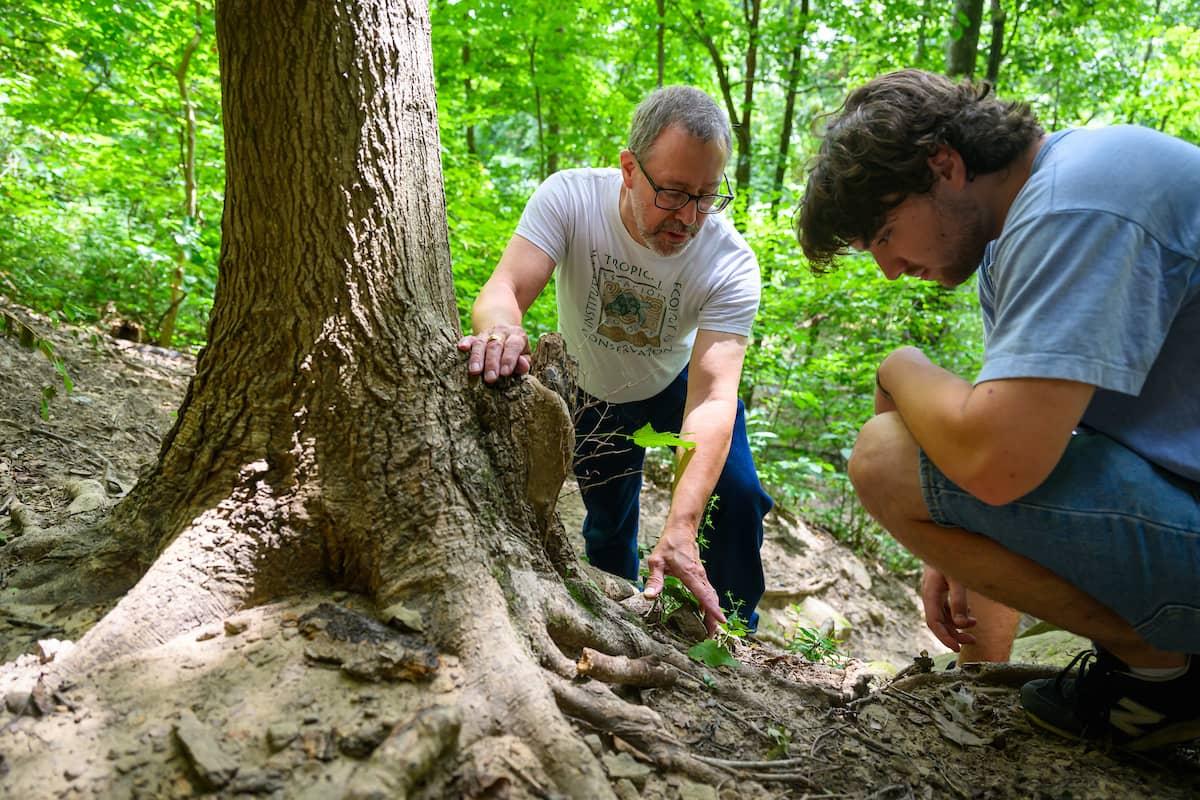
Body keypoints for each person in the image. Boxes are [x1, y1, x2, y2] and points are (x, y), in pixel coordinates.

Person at [797, 68, 1199, 751]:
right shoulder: (1047, 211)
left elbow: (996, 462)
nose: (890, 269)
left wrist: (899, 366)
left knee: (887, 456)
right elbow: (1021, 446)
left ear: (945, 165)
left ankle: (1167, 678)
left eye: (887, 233)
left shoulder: (1077, 207)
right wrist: (959, 546)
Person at [458, 86, 773, 634]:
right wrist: (503, 329)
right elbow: (504, 287)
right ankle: (621, 623)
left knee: (739, 500)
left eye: (706, 196)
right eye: (673, 192)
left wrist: (681, 524)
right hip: (593, 393)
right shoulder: (571, 199)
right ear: (630, 168)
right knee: (607, 528)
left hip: (678, 387)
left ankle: (734, 633)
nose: (689, 216)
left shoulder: (730, 262)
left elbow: (714, 396)